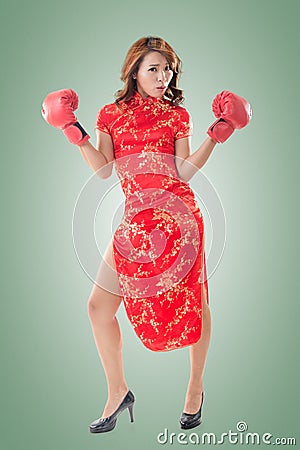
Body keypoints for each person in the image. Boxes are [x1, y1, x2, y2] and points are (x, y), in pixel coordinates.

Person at [41, 36, 251, 434]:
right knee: (98, 307)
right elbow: (104, 170)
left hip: (179, 219)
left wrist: (219, 133)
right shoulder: (110, 115)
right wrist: (72, 129)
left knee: (195, 302)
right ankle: (117, 392)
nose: (162, 76)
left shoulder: (177, 115)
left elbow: (184, 170)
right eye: (153, 68)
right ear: (134, 71)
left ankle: (195, 388)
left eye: (168, 69)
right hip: (136, 221)